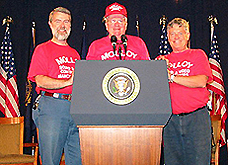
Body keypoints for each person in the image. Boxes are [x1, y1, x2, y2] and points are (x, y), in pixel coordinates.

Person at [28, 7, 82, 165]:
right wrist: (67, 82)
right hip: (52, 106)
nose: (62, 25)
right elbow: (40, 81)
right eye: (58, 21)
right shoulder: (42, 49)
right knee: (51, 159)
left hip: (75, 108)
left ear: (71, 26)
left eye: (66, 22)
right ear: (50, 25)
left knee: (77, 159)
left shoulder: (75, 53)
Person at [157, 18, 213, 165]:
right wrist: (158, 68)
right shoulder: (161, 61)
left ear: (187, 35)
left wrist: (172, 77)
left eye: (180, 33)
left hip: (196, 119)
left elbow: (201, 81)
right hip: (170, 122)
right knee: (172, 162)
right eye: (172, 34)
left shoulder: (198, 54)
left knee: (199, 162)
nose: (176, 37)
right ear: (168, 38)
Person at [86, 2, 150, 60]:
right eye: (113, 21)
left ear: (126, 24)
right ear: (106, 24)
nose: (116, 24)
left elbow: (147, 67)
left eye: (120, 21)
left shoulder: (138, 43)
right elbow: (89, 69)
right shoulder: (96, 46)